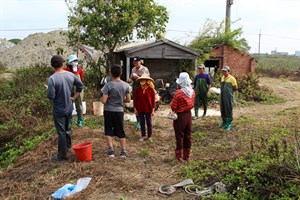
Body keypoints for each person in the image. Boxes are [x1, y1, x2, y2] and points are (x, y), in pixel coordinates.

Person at [47, 55, 84, 161]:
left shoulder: (52, 79)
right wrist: (74, 97)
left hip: (58, 109)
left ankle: (62, 155)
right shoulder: (70, 75)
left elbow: (51, 96)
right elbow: (80, 86)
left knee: (61, 132)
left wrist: (49, 90)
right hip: (69, 107)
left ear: (52, 65)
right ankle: (67, 148)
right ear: (62, 64)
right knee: (67, 129)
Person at [101, 64, 131, 158]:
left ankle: (111, 150)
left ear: (111, 74)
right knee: (120, 130)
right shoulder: (126, 85)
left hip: (109, 110)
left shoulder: (108, 85)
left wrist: (109, 99)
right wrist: (121, 100)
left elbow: (103, 101)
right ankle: (123, 151)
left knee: (108, 130)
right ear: (121, 73)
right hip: (119, 111)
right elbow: (128, 100)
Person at [170, 72, 195, 162]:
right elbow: (192, 104)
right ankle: (186, 156)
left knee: (179, 136)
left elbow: (173, 106)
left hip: (180, 116)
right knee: (188, 135)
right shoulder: (192, 92)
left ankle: (179, 156)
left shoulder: (178, 93)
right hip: (188, 115)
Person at [128, 56, 150, 129]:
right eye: (134, 63)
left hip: (143, 88)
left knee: (142, 104)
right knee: (136, 104)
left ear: (140, 62)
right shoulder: (133, 69)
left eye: (136, 62)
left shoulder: (144, 69)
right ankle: (138, 121)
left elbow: (146, 80)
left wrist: (137, 77)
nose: (135, 64)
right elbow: (131, 79)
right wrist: (129, 80)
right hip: (135, 87)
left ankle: (144, 121)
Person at [134, 73, 156, 142]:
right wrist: (135, 109)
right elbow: (135, 100)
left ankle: (149, 136)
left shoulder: (151, 90)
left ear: (147, 81)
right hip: (140, 109)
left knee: (149, 122)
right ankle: (143, 135)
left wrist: (153, 110)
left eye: (144, 80)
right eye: (141, 80)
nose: (142, 81)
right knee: (142, 122)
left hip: (148, 109)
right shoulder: (138, 90)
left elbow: (153, 101)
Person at [64, 54, 85, 127]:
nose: (75, 62)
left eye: (76, 61)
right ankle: (69, 120)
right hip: (69, 89)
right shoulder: (66, 70)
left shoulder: (79, 69)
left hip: (78, 90)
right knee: (68, 105)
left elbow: (81, 80)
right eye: (74, 61)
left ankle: (80, 119)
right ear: (70, 62)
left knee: (79, 105)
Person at [220, 66, 238, 131]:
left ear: (228, 71)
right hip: (222, 96)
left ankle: (229, 123)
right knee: (223, 108)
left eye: (225, 71)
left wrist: (229, 93)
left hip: (229, 96)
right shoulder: (222, 78)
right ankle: (224, 121)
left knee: (228, 108)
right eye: (223, 71)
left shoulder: (232, 79)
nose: (224, 72)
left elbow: (235, 88)